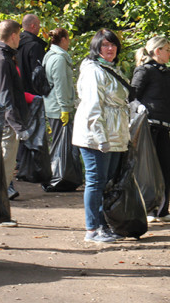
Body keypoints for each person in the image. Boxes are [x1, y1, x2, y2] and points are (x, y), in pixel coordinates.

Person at [73, 29, 130, 243]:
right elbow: (92, 107)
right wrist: (101, 138)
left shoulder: (110, 69)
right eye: (105, 45)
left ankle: (103, 225)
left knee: (107, 183)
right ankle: (92, 228)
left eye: (113, 45)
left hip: (115, 135)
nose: (110, 49)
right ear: (96, 47)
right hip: (96, 136)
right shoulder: (93, 71)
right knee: (95, 181)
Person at [132, 36, 170, 223]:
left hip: (164, 127)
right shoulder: (144, 71)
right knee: (148, 170)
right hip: (149, 128)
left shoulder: (164, 74)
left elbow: (167, 102)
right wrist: (139, 108)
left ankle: (162, 210)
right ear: (158, 51)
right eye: (167, 49)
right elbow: (132, 96)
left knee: (164, 168)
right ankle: (147, 208)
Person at [0, 19, 32, 225]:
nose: (19, 39)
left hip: (0, 121)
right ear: (13, 35)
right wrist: (18, 126)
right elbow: (5, 97)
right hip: (5, 124)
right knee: (3, 171)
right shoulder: (2, 60)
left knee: (1, 171)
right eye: (19, 35)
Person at [42, 27, 75, 136]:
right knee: (61, 147)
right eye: (68, 39)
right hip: (58, 110)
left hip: (52, 106)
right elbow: (60, 85)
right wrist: (64, 108)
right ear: (64, 39)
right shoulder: (59, 59)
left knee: (59, 144)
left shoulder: (49, 55)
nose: (69, 43)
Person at [17, 14, 48, 95]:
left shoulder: (15, 45)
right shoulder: (35, 46)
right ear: (33, 26)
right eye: (38, 25)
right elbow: (39, 75)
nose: (40, 27)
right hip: (34, 96)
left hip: (19, 93)